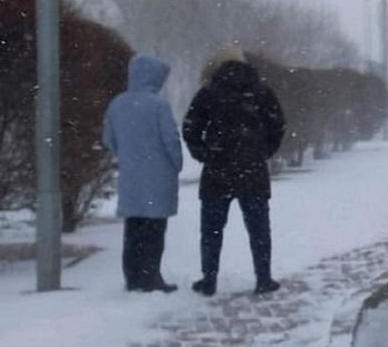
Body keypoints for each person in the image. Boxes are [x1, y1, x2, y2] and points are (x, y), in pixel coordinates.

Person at [183, 46, 286, 296]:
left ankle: (209, 280)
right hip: (253, 170)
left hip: (218, 171)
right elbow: (278, 125)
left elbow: (190, 128)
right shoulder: (261, 92)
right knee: (259, 228)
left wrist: (206, 154)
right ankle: (263, 278)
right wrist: (262, 152)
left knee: (212, 229)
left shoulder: (208, 93)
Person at [101, 54, 183, 293]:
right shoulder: (158, 105)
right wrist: (175, 164)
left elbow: (108, 139)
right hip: (158, 178)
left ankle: (133, 277)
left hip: (131, 177)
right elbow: (171, 140)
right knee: (154, 229)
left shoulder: (117, 104)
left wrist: (127, 154)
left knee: (133, 228)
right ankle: (151, 276)